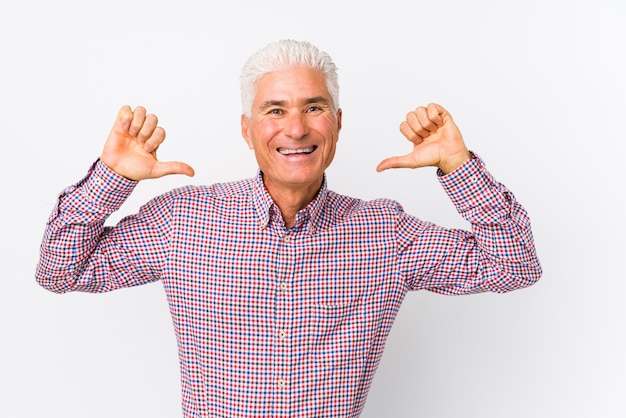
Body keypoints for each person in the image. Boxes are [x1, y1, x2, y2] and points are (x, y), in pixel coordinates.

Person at [36, 39, 542, 417]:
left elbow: (516, 265)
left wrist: (457, 166)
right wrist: (111, 180)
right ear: (247, 128)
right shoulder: (182, 221)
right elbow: (58, 271)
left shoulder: (385, 233)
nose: (295, 128)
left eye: (313, 108)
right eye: (274, 110)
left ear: (338, 123)